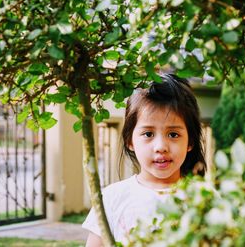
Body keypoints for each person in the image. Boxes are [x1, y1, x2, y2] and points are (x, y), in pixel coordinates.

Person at [82, 73, 206, 246]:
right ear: (130, 140)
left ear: (190, 141)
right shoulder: (111, 199)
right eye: (148, 134)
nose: (161, 146)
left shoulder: (204, 199)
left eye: (173, 134)